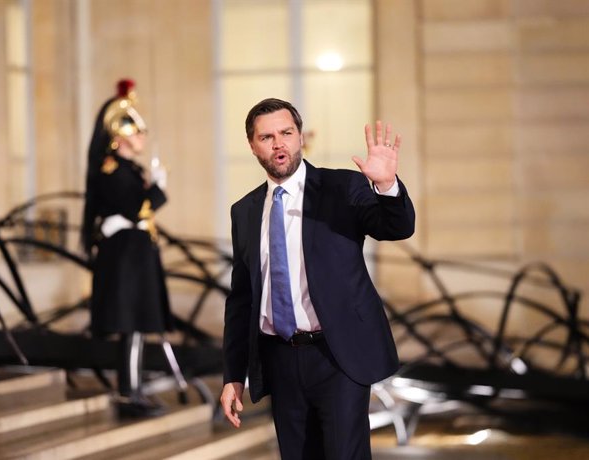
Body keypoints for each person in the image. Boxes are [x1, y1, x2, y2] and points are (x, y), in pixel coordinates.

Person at [219, 98, 416, 459]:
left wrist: (387, 187)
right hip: (279, 358)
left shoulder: (342, 188)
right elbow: (242, 298)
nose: (278, 144)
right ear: (252, 145)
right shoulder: (244, 211)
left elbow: (396, 227)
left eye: (286, 133)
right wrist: (234, 374)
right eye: (267, 137)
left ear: (299, 137)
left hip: (337, 355)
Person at [81, 79, 173, 417]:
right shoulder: (111, 169)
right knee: (130, 325)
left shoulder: (129, 169)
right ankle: (127, 395)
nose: (142, 138)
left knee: (136, 327)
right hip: (124, 258)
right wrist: (158, 190)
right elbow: (136, 207)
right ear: (119, 137)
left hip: (134, 255)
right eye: (136, 133)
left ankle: (134, 391)